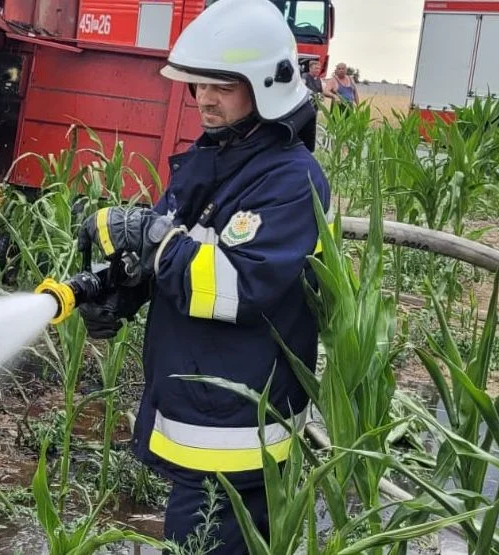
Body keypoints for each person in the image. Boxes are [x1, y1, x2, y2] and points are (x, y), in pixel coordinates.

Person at [75, 0, 331, 551]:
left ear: (267, 84)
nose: (204, 99)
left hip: (238, 438)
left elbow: (238, 286)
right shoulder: (215, 157)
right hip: (203, 416)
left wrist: (148, 237)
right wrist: (120, 290)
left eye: (221, 85)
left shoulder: (290, 179)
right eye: (197, 85)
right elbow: (173, 245)